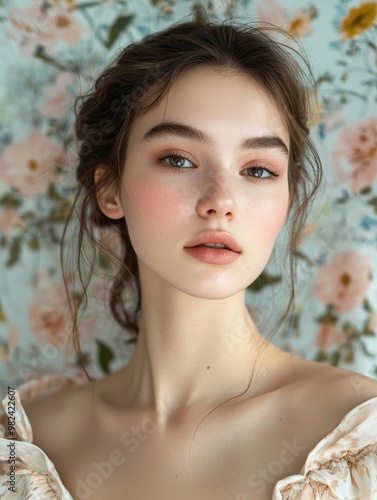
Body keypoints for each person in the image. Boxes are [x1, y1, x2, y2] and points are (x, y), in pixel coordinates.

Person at [1, 14, 377, 500]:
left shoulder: (361, 441)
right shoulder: (19, 448)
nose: (220, 200)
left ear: (286, 199)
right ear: (110, 189)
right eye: (178, 159)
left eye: (258, 169)